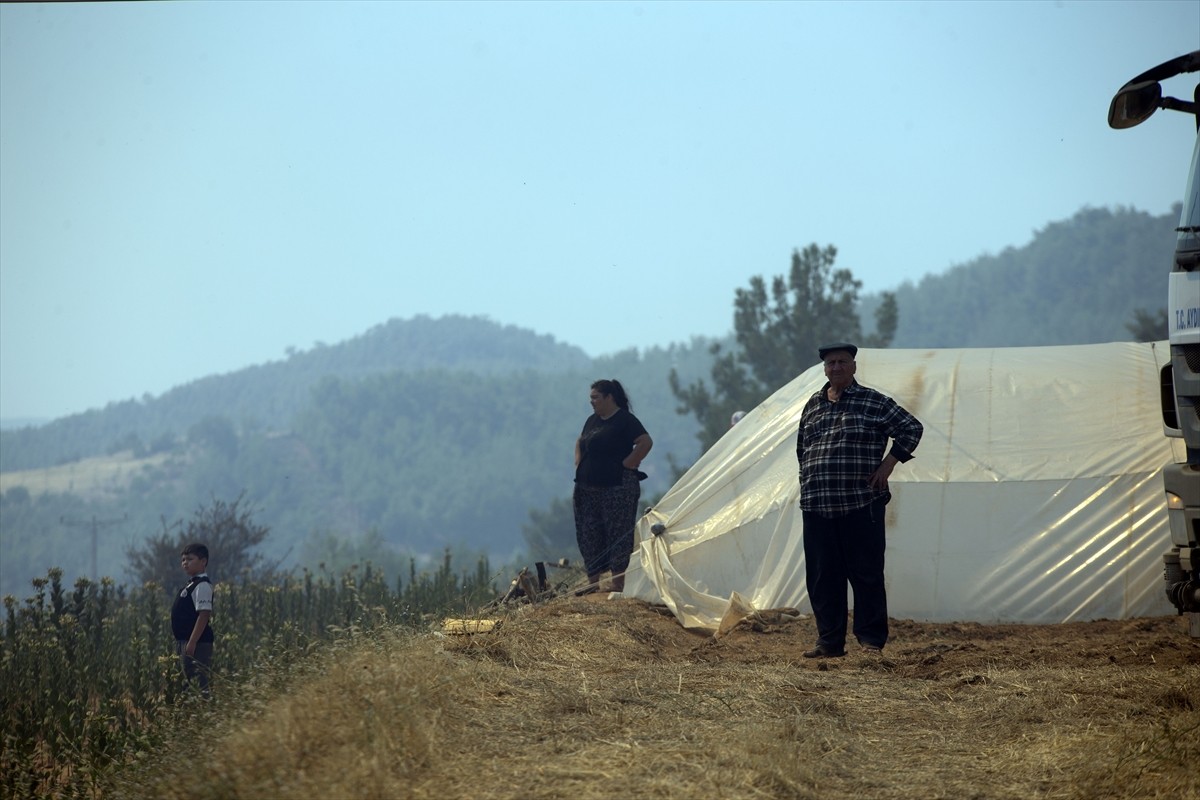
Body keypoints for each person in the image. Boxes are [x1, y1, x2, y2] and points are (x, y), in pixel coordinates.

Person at [796, 343, 922, 657]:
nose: (836, 368)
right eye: (830, 363)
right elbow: (802, 450)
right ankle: (829, 641)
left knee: (865, 574)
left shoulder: (873, 402)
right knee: (823, 577)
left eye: (842, 362)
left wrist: (889, 464)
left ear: (854, 366)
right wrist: (810, 479)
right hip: (817, 504)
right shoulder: (813, 405)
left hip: (860, 502)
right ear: (824, 369)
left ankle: (870, 642)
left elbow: (911, 428)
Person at [573, 379, 653, 595]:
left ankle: (617, 583)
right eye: (591, 398)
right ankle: (593, 583)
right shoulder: (592, 420)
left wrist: (628, 463)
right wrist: (580, 464)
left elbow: (645, 442)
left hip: (616, 488)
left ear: (609, 397)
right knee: (589, 532)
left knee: (617, 532)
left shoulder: (625, 421)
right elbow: (580, 441)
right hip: (587, 489)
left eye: (596, 398)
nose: (592, 402)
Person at [172, 542, 214, 694]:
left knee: (198, 682)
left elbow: (204, 615)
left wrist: (192, 642)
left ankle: (203, 711)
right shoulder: (191, 584)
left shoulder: (202, 585)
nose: (185, 563)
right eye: (183, 560)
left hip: (197, 643)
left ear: (203, 561)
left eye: (190, 559)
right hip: (185, 641)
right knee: (186, 682)